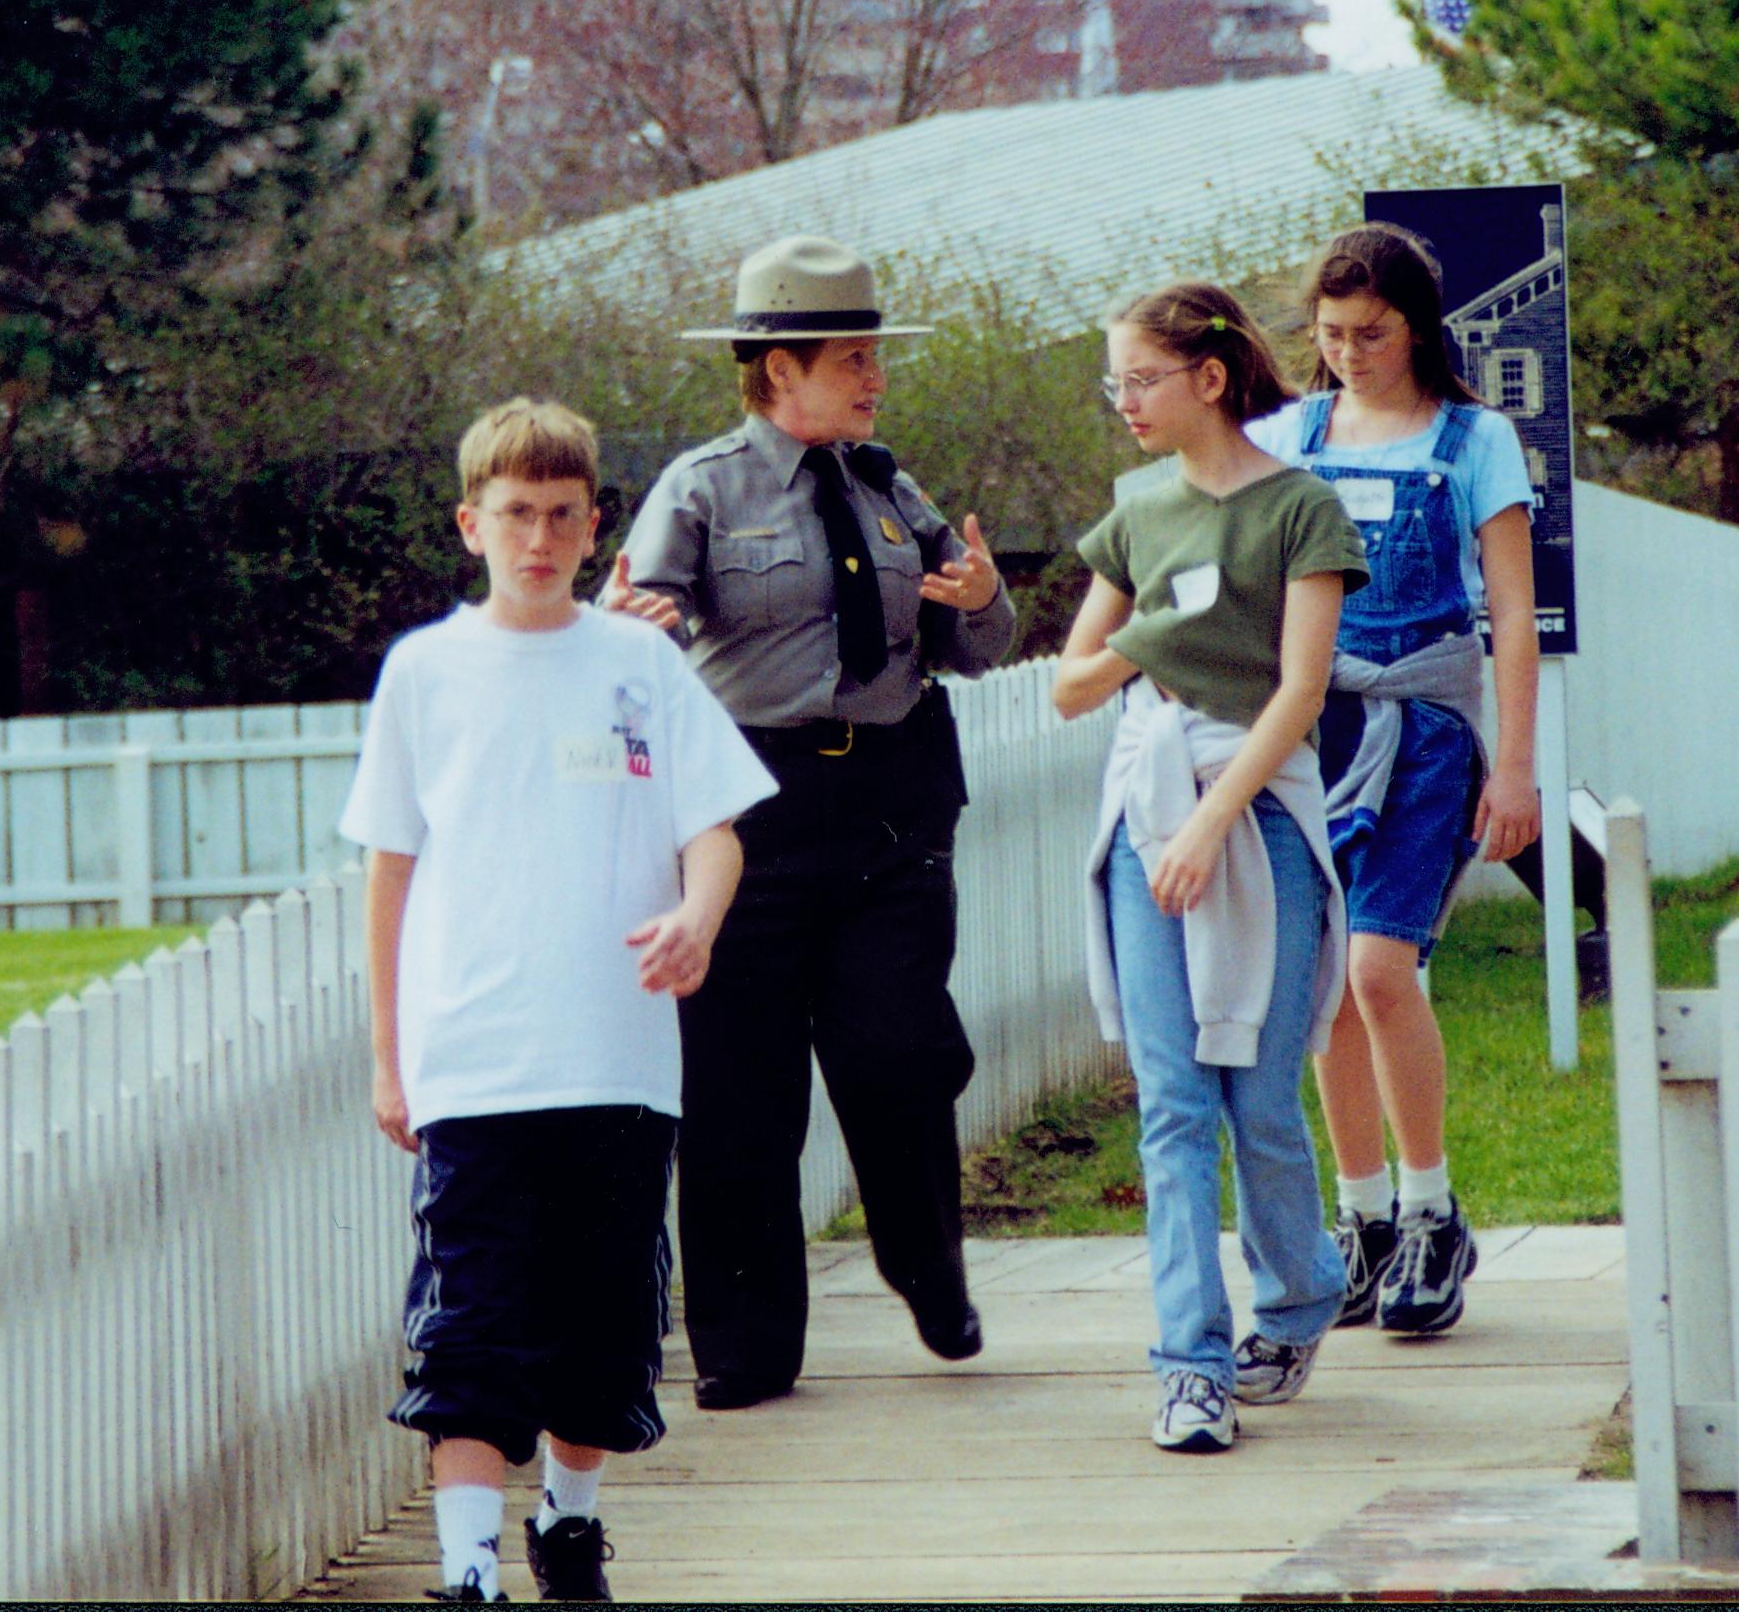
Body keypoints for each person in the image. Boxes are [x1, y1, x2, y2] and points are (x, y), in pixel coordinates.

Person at [344, 399, 775, 1603]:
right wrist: (389, 1057)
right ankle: (467, 1567)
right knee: (470, 1321)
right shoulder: (423, 674)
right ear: (469, 523)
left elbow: (715, 830)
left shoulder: (640, 663)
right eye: (514, 514)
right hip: (474, 1058)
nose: (536, 538)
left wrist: (695, 916)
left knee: (598, 1323)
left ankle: (570, 1522)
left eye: (561, 516)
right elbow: (388, 872)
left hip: (618, 1055)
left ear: (594, 528)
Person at [608, 235, 1018, 1409]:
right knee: (740, 1090)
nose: (873, 378)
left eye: (873, 356)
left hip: (889, 811)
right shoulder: (699, 489)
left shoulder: (894, 489)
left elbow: (976, 645)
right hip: (748, 815)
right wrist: (638, 621)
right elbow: (636, 628)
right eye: (850, 359)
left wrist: (980, 598)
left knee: (902, 1052)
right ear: (776, 368)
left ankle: (927, 1267)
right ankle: (743, 1344)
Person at [1054, 282, 1367, 1452]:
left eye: (1140, 378)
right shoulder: (1136, 516)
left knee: (1255, 1092)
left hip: (1259, 811)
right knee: (1173, 1100)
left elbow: (1298, 690)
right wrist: (1152, 629)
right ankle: (1188, 1363)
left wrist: (1210, 823)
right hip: (1147, 802)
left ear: (1209, 377)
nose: (1123, 402)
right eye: (1114, 383)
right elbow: (1071, 682)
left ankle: (1298, 1292)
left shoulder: (1301, 510)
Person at [1248, 223, 1542, 1340]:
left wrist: (1509, 762)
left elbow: (1508, 611)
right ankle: (1361, 1221)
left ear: (1415, 326)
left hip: (1422, 727)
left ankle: (1430, 1209)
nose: (1347, 354)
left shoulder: (1473, 440)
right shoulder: (1288, 433)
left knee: (1377, 967)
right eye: (1328, 336)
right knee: (1323, 978)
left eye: (1368, 333)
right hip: (1309, 725)